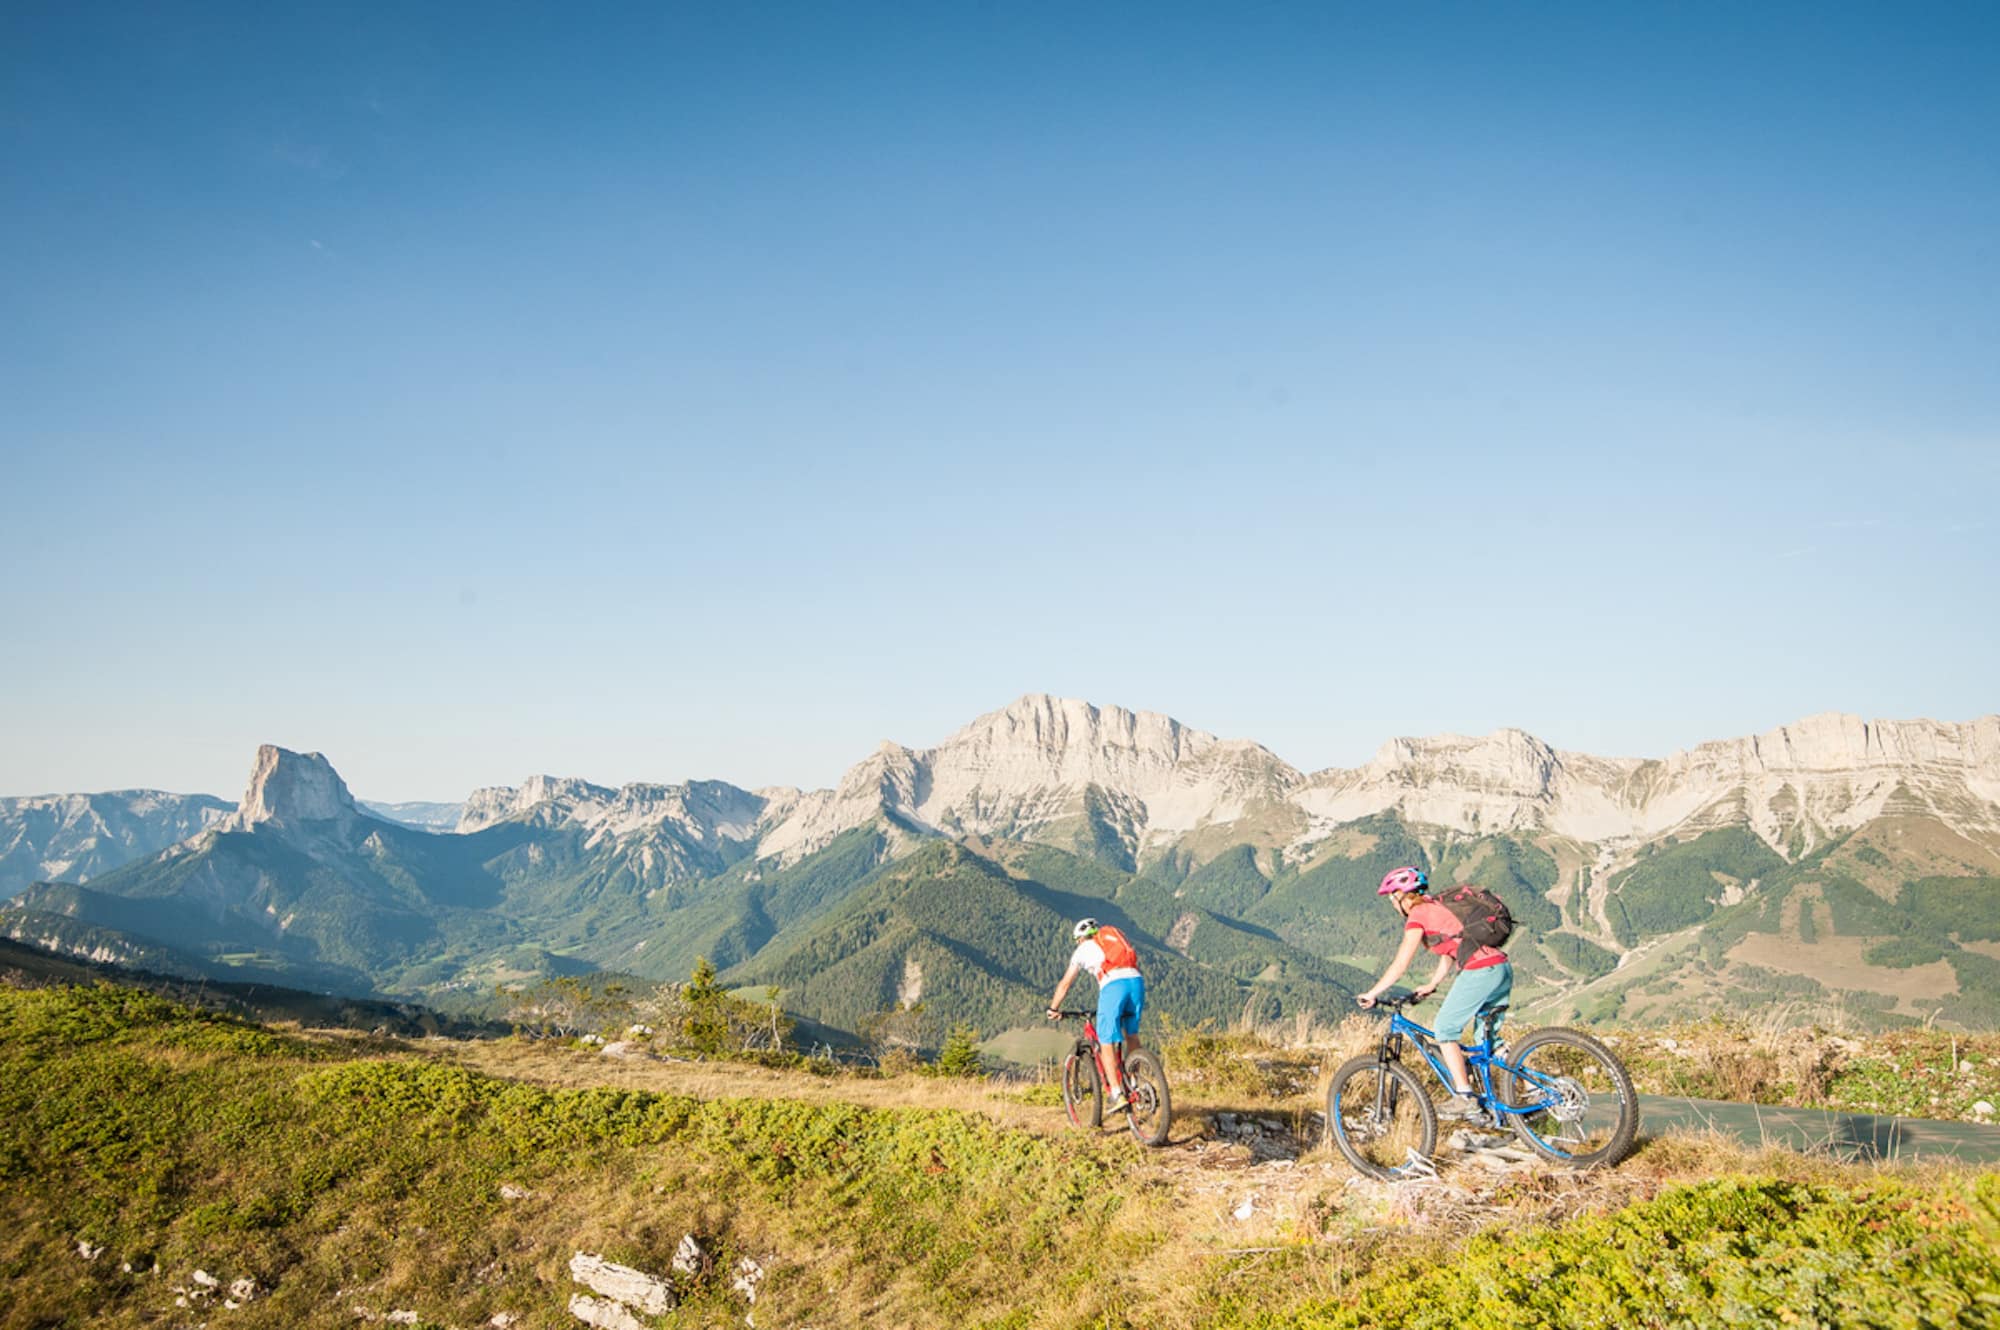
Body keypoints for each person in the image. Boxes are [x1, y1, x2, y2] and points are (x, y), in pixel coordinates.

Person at [1355, 866, 1514, 1123]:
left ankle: (1465, 1097)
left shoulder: (1418, 914)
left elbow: (1401, 963)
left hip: (1481, 971)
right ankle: (1533, 1091)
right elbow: (1452, 949)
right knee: (1487, 1042)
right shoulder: (1439, 907)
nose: (1392, 904)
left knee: (1444, 1029)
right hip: (1501, 968)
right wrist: (1432, 983)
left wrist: (1373, 993)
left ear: (1401, 895)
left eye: (1391, 898)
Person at [1047, 917, 1145, 1113]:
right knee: (1131, 1034)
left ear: (1080, 938)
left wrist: (1054, 1008)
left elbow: (1065, 983)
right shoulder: (1111, 939)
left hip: (1114, 984)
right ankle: (1135, 1082)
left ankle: (1116, 1093)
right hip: (1136, 981)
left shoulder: (1082, 949)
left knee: (1105, 1041)